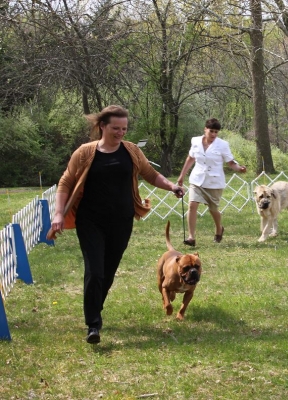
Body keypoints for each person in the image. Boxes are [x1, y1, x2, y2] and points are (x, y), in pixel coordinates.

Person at [48, 105, 185, 344]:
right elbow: (66, 182)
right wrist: (58, 214)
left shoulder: (131, 151)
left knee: (108, 272)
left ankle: (95, 308)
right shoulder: (85, 152)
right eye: (115, 128)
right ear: (102, 126)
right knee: (95, 271)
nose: (121, 132)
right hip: (90, 221)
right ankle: (93, 324)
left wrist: (171, 186)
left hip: (121, 221)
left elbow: (151, 175)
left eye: (124, 128)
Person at [176, 118, 247, 246]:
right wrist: (182, 175)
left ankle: (219, 228)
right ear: (205, 129)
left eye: (216, 132)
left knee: (213, 210)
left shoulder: (222, 145)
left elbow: (230, 162)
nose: (213, 134)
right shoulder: (196, 141)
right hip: (197, 180)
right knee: (192, 205)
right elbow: (190, 158)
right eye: (211, 131)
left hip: (214, 182)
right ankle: (191, 237)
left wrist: (239, 168)